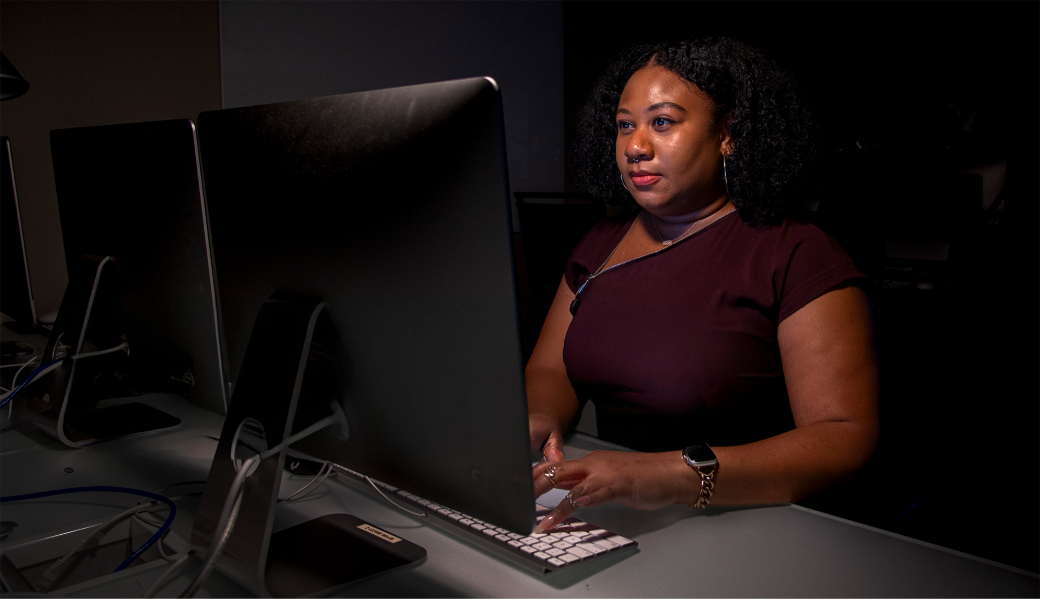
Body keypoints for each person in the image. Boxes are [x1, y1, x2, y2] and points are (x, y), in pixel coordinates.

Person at [526, 37, 879, 533]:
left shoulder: (796, 253)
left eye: (662, 122)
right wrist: (538, 418)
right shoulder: (600, 242)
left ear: (727, 133)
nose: (635, 146)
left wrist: (669, 475)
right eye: (625, 125)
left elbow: (844, 437)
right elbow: (549, 367)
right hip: (610, 509)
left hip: (751, 522)